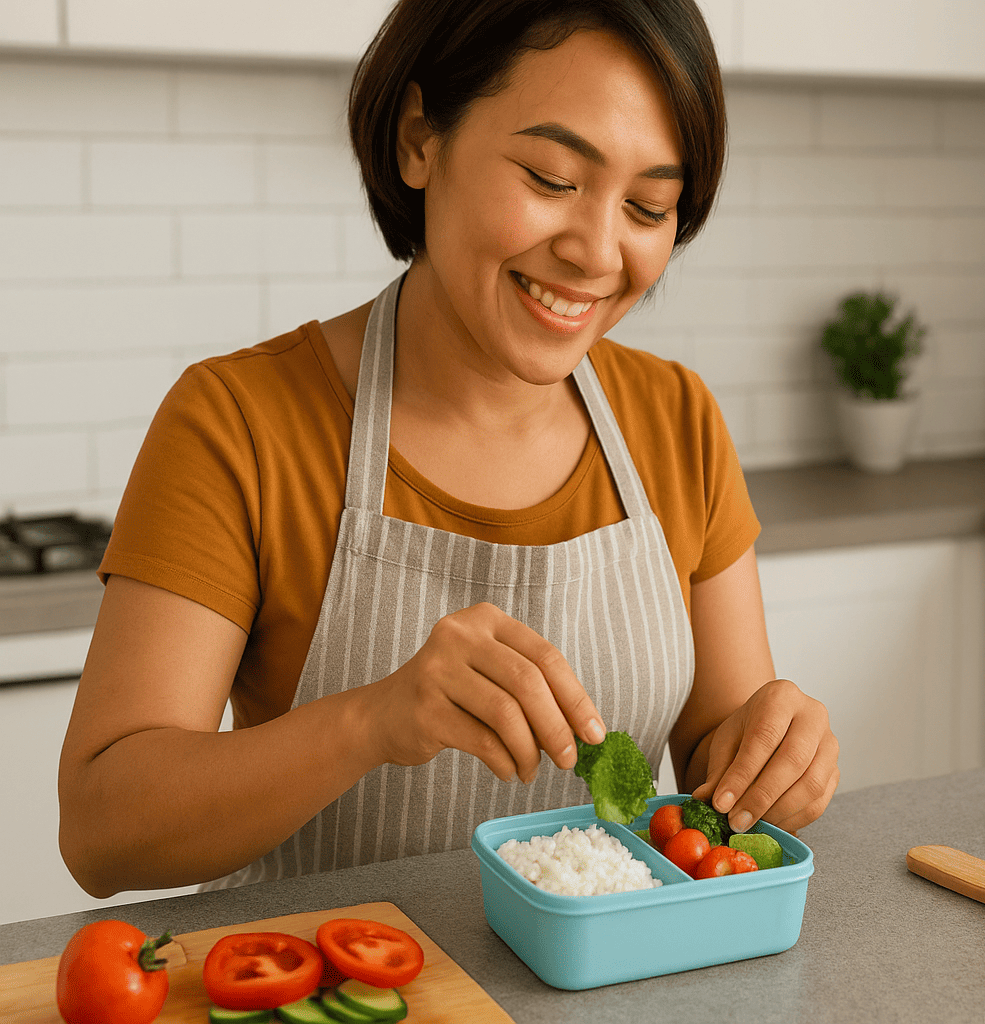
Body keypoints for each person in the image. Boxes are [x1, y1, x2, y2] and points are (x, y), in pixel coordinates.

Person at [57, 0, 838, 898]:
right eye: (551, 178)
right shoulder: (239, 423)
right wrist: (370, 723)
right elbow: (102, 832)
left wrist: (772, 754)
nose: (597, 252)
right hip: (331, 968)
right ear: (419, 140)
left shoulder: (677, 420)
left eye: (647, 206)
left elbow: (716, 767)